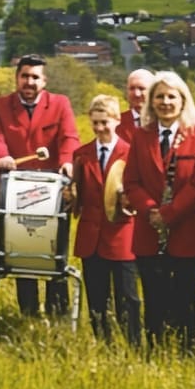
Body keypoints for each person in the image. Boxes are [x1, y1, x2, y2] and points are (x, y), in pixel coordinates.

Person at [122, 71, 195, 354]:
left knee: (186, 298)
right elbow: (131, 181)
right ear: (151, 101)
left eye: (171, 96)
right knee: (154, 298)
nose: (165, 102)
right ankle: (155, 353)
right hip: (149, 231)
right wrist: (151, 211)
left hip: (187, 232)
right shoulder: (141, 136)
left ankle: (189, 353)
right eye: (159, 97)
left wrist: (169, 214)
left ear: (183, 100)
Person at [0, 54, 79, 317]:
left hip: (53, 193)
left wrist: (67, 161)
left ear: (44, 81)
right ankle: (29, 313)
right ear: (17, 78)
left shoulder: (60, 104)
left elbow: (69, 137)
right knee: (22, 250)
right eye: (24, 76)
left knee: (53, 251)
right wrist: (0, 157)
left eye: (35, 77)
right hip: (16, 192)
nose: (29, 81)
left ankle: (58, 313)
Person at [71, 94, 139, 345]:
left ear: (116, 120)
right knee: (97, 297)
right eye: (95, 123)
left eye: (104, 123)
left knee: (127, 297)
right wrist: (70, 194)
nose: (100, 128)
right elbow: (77, 195)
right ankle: (103, 343)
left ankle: (133, 343)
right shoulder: (81, 154)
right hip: (91, 236)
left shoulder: (131, 154)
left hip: (122, 236)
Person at [118, 68, 154, 144]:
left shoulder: (163, 122)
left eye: (141, 88)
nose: (136, 94)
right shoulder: (116, 123)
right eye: (132, 88)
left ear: (153, 91)